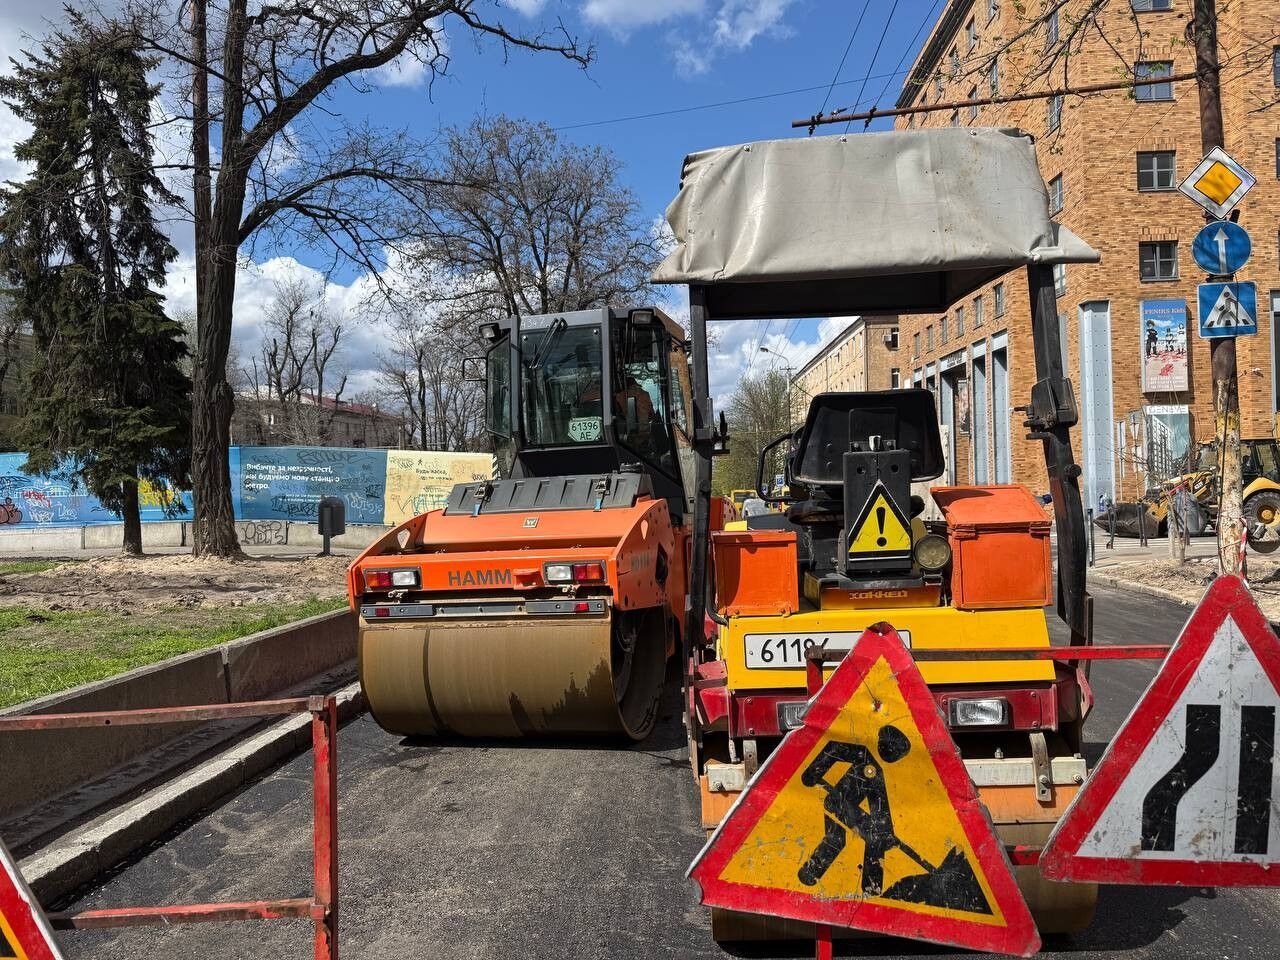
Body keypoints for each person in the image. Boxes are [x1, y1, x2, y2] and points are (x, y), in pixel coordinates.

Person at [797, 726, 912, 894]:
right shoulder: (864, 755)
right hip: (838, 802)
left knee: (838, 838)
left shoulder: (876, 771)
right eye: (896, 752)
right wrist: (812, 772)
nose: (895, 757)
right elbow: (833, 749)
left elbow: (879, 807)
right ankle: (871, 887)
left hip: (844, 807)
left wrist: (887, 832)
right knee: (870, 838)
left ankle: (810, 874)